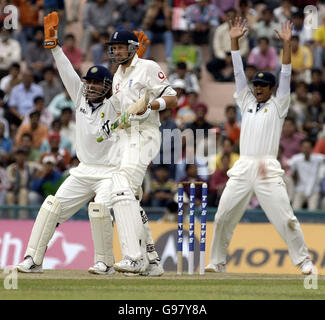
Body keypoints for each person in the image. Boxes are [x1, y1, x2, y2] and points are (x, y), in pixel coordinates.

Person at [16, 12, 163, 277]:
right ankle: (33, 259)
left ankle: (105, 263)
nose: (92, 87)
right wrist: (55, 47)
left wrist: (136, 61)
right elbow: (66, 71)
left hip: (110, 171)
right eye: (90, 82)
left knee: (99, 209)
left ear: (108, 87)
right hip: (83, 170)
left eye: (98, 83)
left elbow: (132, 92)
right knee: (51, 207)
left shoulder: (116, 104)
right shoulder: (80, 98)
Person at [205, 18, 314, 275]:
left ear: (273, 89)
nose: (258, 89)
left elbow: (286, 71)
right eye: (257, 86)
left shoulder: (279, 104)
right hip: (243, 166)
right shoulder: (245, 101)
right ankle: (217, 262)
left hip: (267, 167)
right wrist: (234, 41)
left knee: (286, 218)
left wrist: (286, 45)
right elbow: (238, 72)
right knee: (222, 217)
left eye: (264, 86)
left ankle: (304, 261)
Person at [102, 29, 177, 273]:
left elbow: (172, 96)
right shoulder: (117, 76)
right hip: (124, 138)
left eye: (120, 47)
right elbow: (119, 110)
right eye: (113, 48)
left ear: (132, 48)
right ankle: (153, 259)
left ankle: (134, 258)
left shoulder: (147, 66)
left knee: (122, 188)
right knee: (128, 197)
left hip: (145, 134)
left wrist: (151, 106)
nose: (115, 51)